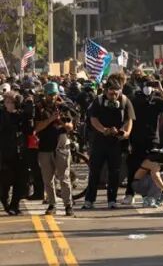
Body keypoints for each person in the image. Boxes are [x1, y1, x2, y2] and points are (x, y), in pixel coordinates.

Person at [82, 80, 135, 210]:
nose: (113, 96)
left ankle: (112, 200)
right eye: (110, 93)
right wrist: (104, 130)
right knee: (95, 171)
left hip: (116, 144)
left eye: (115, 93)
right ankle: (89, 200)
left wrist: (125, 132)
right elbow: (93, 119)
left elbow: (129, 120)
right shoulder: (98, 101)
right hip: (99, 142)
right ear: (106, 91)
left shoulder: (125, 101)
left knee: (114, 173)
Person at [123, 78, 163, 205]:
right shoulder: (134, 100)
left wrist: (160, 88)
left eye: (150, 85)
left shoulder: (156, 100)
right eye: (146, 85)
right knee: (133, 166)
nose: (148, 87)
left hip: (152, 140)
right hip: (136, 139)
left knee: (153, 168)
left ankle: (150, 195)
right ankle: (129, 194)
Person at [33, 82, 76, 216]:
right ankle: (52, 204)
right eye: (50, 94)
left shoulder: (63, 107)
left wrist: (61, 121)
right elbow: (36, 127)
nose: (52, 97)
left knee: (64, 177)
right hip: (45, 147)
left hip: (61, 146)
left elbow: (70, 127)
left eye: (54, 94)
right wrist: (51, 119)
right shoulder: (39, 108)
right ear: (45, 94)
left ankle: (68, 205)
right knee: (48, 179)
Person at [0, 91, 30, 214]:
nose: (9, 104)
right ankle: (6, 204)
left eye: (12, 102)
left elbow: (28, 126)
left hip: (20, 152)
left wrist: (27, 103)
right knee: (5, 182)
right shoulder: (1, 115)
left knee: (21, 181)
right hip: (4, 153)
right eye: (7, 102)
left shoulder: (20, 115)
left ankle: (14, 205)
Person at [131, 144, 163, 208]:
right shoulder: (154, 160)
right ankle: (149, 200)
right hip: (139, 184)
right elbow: (156, 176)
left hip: (152, 184)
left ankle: (158, 200)